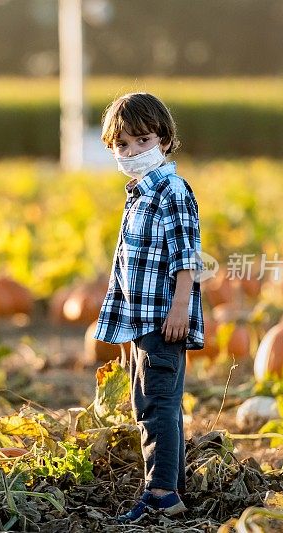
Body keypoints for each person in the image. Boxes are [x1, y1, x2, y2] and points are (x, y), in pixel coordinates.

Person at [93, 92, 205, 523]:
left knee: (157, 404)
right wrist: (127, 333)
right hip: (142, 321)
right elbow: (128, 266)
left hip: (165, 319)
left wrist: (180, 310)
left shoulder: (171, 190)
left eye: (142, 140)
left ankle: (160, 493)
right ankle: (171, 489)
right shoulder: (139, 194)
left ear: (164, 139)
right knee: (155, 401)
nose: (133, 151)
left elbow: (186, 257)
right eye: (123, 145)